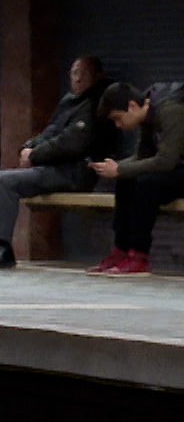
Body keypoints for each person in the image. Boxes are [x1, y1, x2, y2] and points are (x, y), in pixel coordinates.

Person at [0, 56, 113, 269]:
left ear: (98, 76)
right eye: (74, 73)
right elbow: (50, 132)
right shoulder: (70, 102)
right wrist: (29, 146)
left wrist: (34, 155)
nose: (78, 79)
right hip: (52, 167)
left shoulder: (94, 105)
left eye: (84, 74)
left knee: (8, 182)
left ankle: (2, 248)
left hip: (75, 171)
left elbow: (72, 143)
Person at [84, 80, 184, 276]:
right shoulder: (148, 115)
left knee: (146, 185)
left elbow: (166, 161)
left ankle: (139, 255)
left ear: (131, 106)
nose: (118, 125)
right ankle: (121, 250)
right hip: (176, 167)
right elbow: (143, 157)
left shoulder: (170, 110)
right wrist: (116, 168)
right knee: (126, 180)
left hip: (177, 166)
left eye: (118, 118)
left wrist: (121, 169)